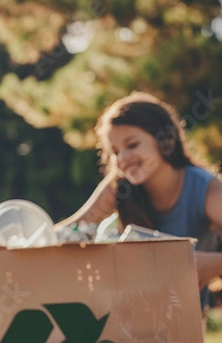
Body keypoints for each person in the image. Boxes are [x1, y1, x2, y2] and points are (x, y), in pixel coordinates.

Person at [55, 91, 222, 310]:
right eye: (115, 151)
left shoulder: (207, 190)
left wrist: (215, 264)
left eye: (132, 145)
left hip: (183, 319)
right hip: (134, 316)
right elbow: (73, 229)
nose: (122, 159)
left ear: (166, 140)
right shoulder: (119, 187)